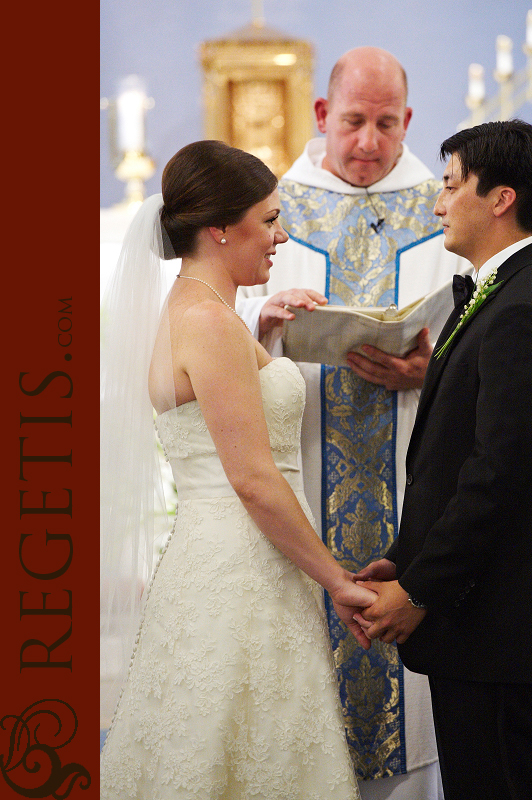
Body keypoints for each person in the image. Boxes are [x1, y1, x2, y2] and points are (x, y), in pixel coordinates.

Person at [99, 140, 377, 799]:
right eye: (270, 217)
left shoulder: (195, 314)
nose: (280, 236)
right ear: (221, 228)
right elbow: (252, 480)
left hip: (208, 560)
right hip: (247, 564)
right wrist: (338, 581)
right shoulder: (213, 326)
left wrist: (268, 335)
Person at [238, 47, 468, 798]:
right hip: (302, 470)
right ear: (320, 118)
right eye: (354, 122)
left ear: (410, 122)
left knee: (416, 713)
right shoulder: (270, 203)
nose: (369, 142)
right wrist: (266, 323)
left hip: (411, 468)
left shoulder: (445, 206)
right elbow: (222, 324)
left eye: (387, 124)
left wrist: (430, 370)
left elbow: (478, 341)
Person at [354, 120, 532, 800]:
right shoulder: (494, 293)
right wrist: (405, 557)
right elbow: (456, 459)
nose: (438, 202)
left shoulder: (523, 311)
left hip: (495, 614)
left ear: (500, 198)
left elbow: (497, 479)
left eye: (450, 186)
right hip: (475, 608)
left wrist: (421, 590)